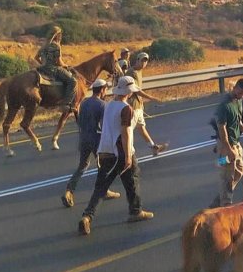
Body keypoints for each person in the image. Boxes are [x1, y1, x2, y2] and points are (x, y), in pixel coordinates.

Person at [78, 76, 154, 235]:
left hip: (104, 150)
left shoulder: (108, 105)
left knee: (101, 187)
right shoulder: (126, 109)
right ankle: (135, 211)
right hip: (119, 152)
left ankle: (87, 216)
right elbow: (125, 133)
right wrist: (128, 155)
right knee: (132, 179)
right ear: (129, 92)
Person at [61, 79, 121, 208]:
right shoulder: (102, 105)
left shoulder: (84, 103)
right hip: (96, 140)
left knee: (82, 166)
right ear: (102, 90)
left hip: (83, 139)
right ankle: (104, 191)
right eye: (106, 89)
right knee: (103, 166)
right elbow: (104, 126)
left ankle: (69, 190)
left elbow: (79, 122)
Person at [209, 78, 243, 208]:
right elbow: (222, 129)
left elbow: (237, 121)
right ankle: (225, 205)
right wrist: (229, 150)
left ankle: (221, 195)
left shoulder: (238, 101)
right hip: (226, 145)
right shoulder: (224, 106)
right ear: (235, 88)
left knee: (239, 170)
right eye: (240, 93)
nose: (241, 96)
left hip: (236, 143)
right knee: (228, 177)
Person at [126, 52, 168, 156]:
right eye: (142, 60)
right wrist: (152, 98)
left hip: (138, 106)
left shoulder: (139, 72)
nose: (144, 63)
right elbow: (136, 90)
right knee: (128, 131)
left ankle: (154, 147)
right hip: (133, 106)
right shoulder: (132, 72)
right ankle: (127, 153)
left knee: (141, 127)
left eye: (146, 61)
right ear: (137, 60)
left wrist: (141, 103)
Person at [34, 25, 76, 113]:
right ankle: (66, 104)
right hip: (53, 69)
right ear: (58, 35)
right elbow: (59, 62)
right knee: (73, 81)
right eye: (60, 35)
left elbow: (36, 58)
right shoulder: (56, 46)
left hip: (42, 69)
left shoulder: (44, 45)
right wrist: (66, 66)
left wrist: (43, 64)